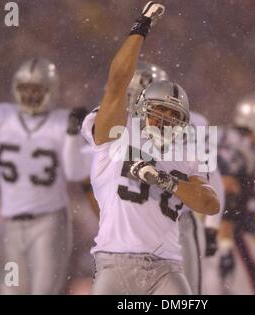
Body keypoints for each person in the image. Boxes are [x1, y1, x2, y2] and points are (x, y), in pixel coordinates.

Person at [81, 1, 219, 295]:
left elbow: (210, 203)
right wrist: (140, 27)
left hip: (167, 267)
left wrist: (166, 180)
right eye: (159, 111)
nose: (166, 120)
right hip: (114, 262)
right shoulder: (118, 132)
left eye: (174, 116)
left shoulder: (186, 150)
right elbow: (117, 83)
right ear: (142, 109)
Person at [0, 58, 90, 294]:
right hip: (14, 223)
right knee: (11, 289)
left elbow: (79, 173)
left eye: (37, 90)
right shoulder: (1, 121)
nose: (31, 96)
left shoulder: (62, 124)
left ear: (50, 90)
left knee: (44, 289)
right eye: (26, 89)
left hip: (50, 221)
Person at [203, 93, 255, 295]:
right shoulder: (240, 147)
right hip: (227, 234)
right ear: (252, 123)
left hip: (205, 234)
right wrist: (226, 244)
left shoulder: (229, 140)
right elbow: (227, 193)